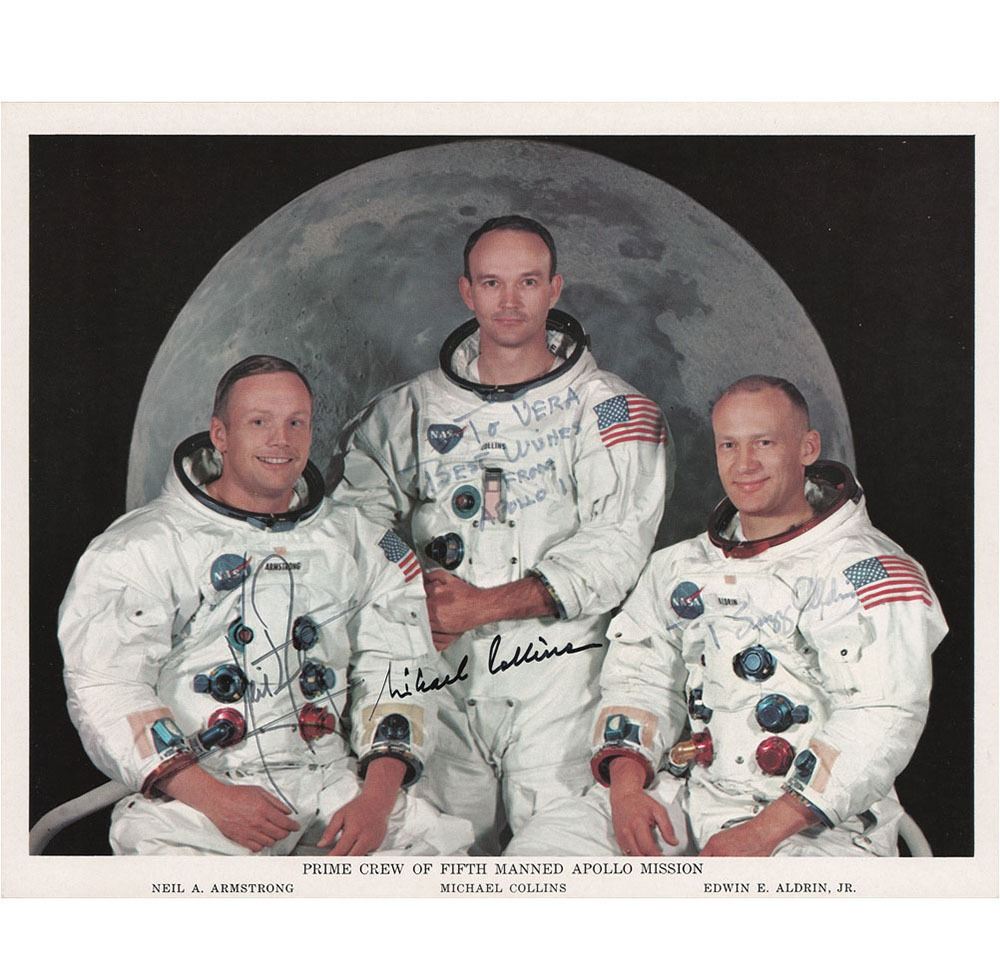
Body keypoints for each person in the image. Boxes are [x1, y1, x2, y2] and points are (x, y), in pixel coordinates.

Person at [334, 216, 673, 853]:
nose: (509, 301)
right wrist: (415, 592)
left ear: (555, 289)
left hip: (560, 678)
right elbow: (356, 523)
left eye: (528, 282)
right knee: (426, 861)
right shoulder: (408, 410)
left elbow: (615, 547)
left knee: (561, 861)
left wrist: (482, 606)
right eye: (492, 282)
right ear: (467, 291)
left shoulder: (609, 408)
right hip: (440, 673)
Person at [507, 375, 947, 857]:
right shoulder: (679, 567)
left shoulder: (868, 571)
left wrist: (760, 833)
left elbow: (881, 717)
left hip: (815, 824)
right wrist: (627, 792)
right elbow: (639, 679)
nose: (744, 464)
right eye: (729, 445)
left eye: (764, 443)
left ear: (807, 448)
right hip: (694, 794)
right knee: (542, 854)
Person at [60, 355, 472, 856]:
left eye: (296, 423)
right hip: (200, 794)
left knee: (438, 863)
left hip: (332, 786)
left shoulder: (362, 541)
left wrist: (377, 801)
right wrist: (215, 800)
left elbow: (399, 667)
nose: (282, 440)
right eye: (259, 422)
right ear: (220, 434)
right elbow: (107, 685)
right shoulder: (141, 546)